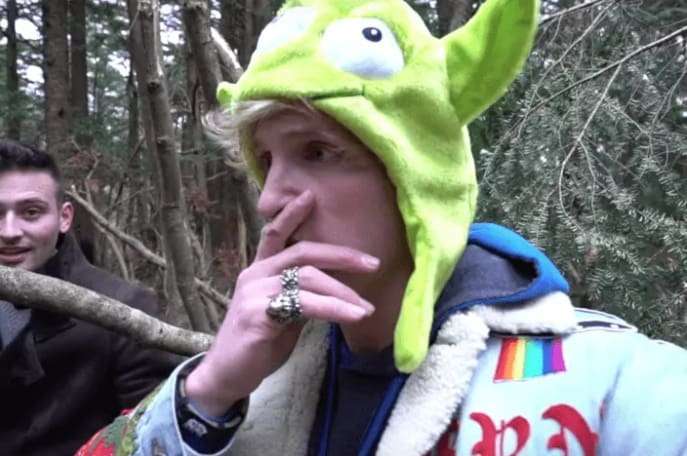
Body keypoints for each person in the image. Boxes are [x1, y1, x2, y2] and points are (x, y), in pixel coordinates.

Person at [80, 0, 687, 454]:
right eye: (266, 160)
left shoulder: (610, 382)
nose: (270, 201)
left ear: (416, 174)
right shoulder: (248, 382)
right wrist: (209, 390)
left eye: (318, 151)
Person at [0, 140, 179, 455]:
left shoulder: (125, 309)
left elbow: (156, 434)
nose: (9, 232)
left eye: (31, 212)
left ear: (64, 217)